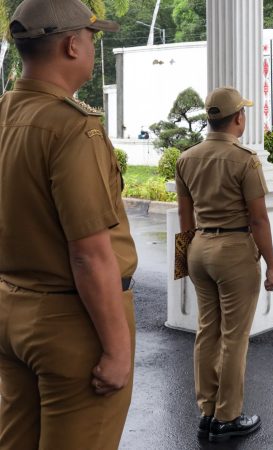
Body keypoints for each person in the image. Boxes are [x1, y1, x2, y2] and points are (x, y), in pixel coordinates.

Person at [0, 1, 137, 449]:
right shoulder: (73, 127)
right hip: (70, 322)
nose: (93, 49)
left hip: (10, 309)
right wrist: (117, 350)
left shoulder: (5, 114)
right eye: (93, 39)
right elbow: (89, 252)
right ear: (72, 44)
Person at [175, 86, 273, 443]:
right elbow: (260, 220)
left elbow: (184, 217)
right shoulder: (244, 159)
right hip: (234, 249)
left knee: (208, 331)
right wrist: (272, 264)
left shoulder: (187, 158)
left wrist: (185, 259)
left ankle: (207, 411)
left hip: (200, 247)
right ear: (238, 118)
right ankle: (228, 416)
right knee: (234, 337)